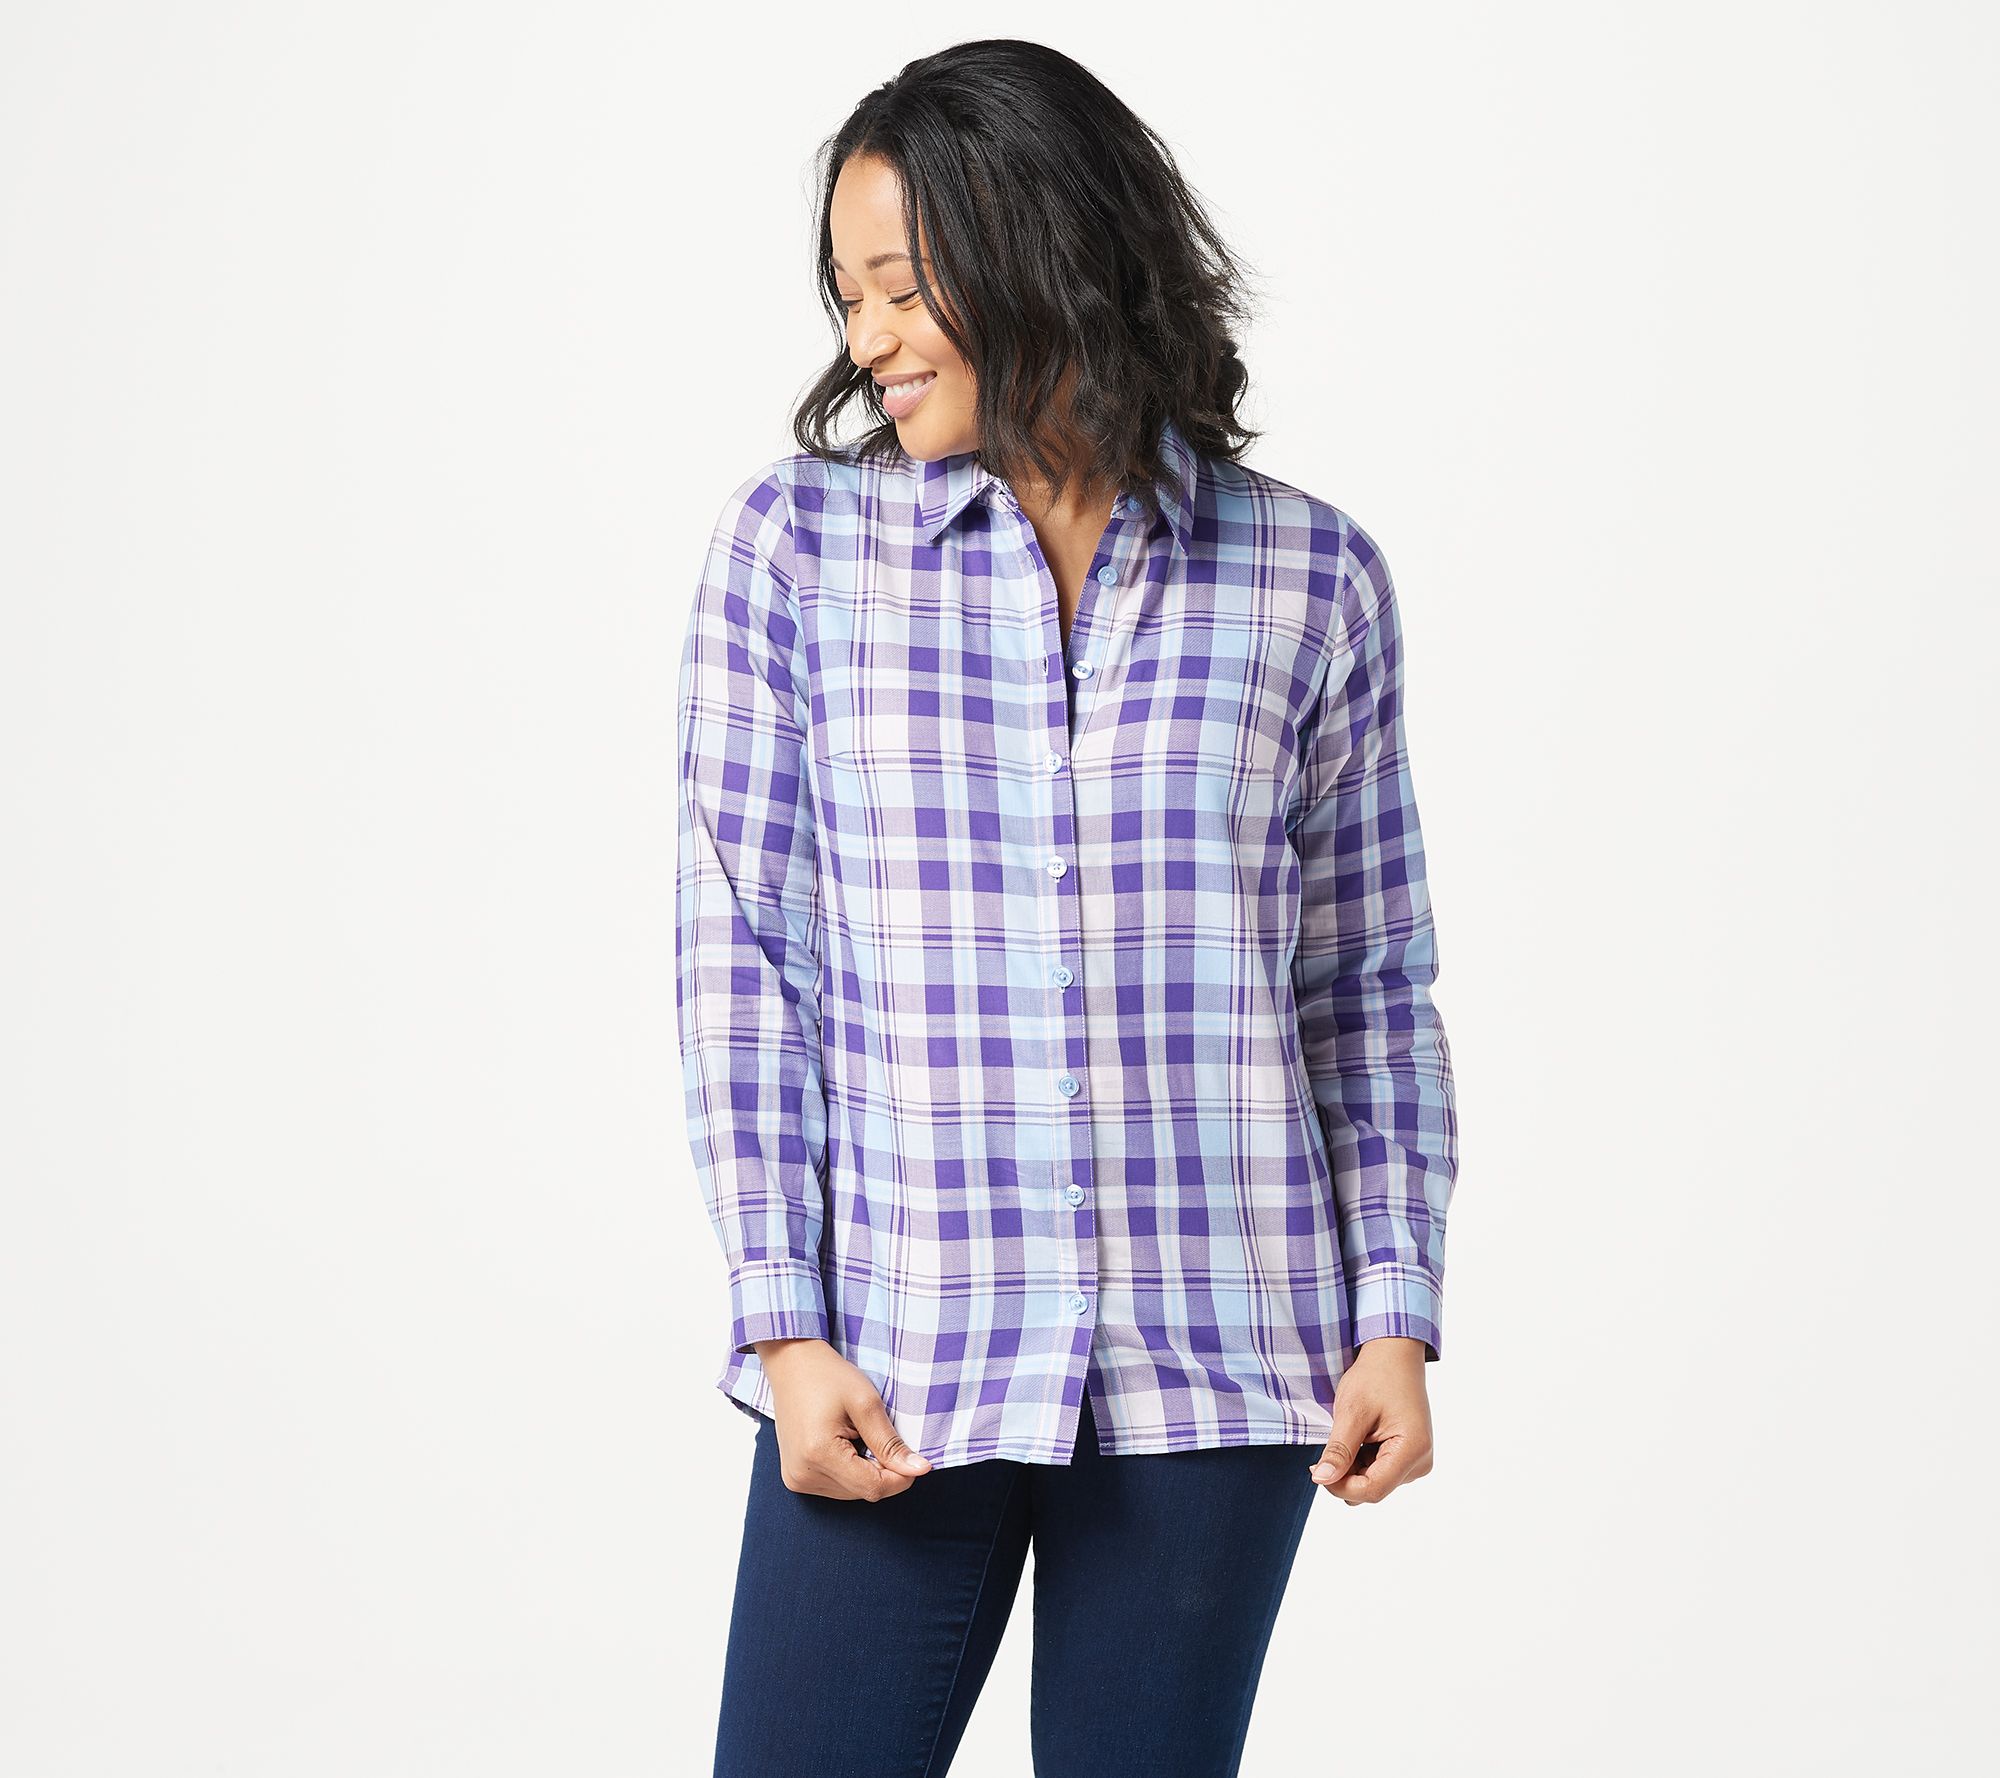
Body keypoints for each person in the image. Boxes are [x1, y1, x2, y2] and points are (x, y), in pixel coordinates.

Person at [674, 38, 1460, 1778]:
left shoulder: (1311, 576)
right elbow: (749, 965)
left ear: (1040, 254)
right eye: (847, 295)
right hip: (898, 1352)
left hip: (1220, 1356)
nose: (868, 338)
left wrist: (1395, 1308)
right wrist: (783, 1323)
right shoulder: (797, 552)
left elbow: (1366, 983)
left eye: (903, 288)